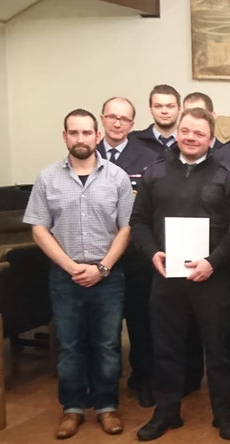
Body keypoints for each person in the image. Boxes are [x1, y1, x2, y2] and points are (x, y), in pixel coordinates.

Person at [130, 108, 230, 442]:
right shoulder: (155, 173)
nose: (191, 137)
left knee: (219, 350)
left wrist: (213, 263)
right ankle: (166, 413)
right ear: (178, 132)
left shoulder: (225, 176)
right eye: (186, 131)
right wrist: (152, 253)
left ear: (210, 139)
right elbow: (138, 222)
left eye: (199, 133)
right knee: (166, 348)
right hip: (167, 278)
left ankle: (224, 414)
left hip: (213, 278)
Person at [23, 109, 134, 438]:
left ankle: (106, 407)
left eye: (87, 133)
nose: (81, 139)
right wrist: (71, 267)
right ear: (65, 136)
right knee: (70, 346)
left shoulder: (117, 177)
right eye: (74, 133)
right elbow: (39, 229)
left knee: (107, 345)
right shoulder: (47, 178)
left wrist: (102, 268)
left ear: (97, 136)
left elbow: (127, 229)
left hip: (108, 276)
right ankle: (72, 408)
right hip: (65, 277)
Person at [97, 97, 160, 408]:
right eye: (111, 117)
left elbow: (150, 210)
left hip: (135, 255)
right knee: (101, 327)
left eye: (124, 118)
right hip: (96, 254)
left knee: (140, 322)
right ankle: (101, 385)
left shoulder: (148, 158)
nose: (117, 123)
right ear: (102, 120)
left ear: (133, 124)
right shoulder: (85, 154)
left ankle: (143, 379)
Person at [131, 84, 181, 155]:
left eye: (170, 106)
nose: (164, 111)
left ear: (179, 109)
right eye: (158, 106)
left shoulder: (191, 142)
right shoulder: (133, 140)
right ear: (151, 110)